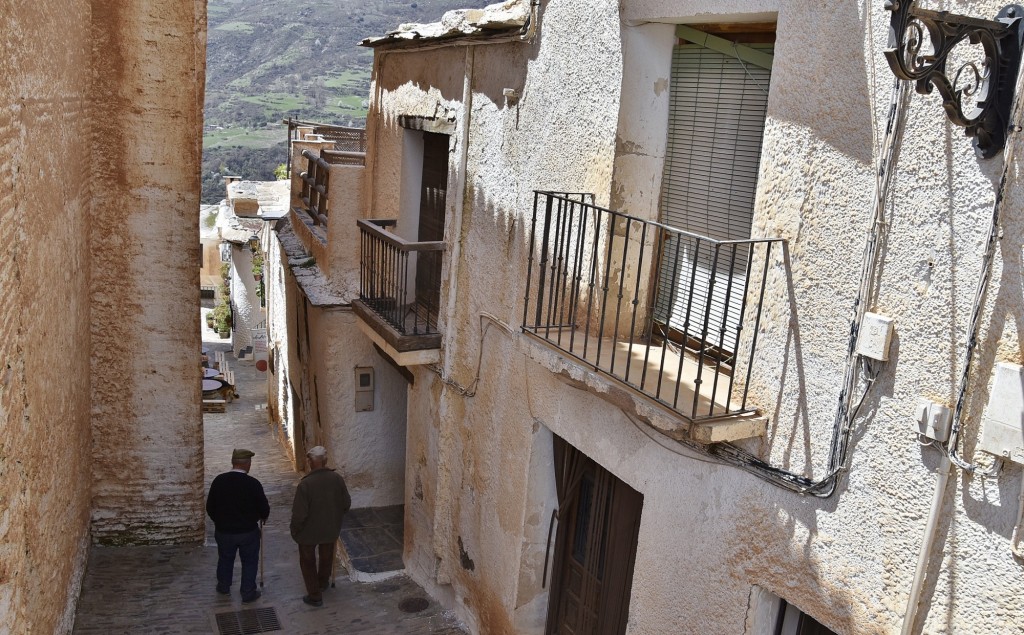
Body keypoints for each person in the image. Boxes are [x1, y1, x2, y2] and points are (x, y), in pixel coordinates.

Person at [206, 448, 270, 603]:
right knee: (249, 561)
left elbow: (210, 507)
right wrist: (263, 517)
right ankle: (248, 592)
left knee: (225, 558)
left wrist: (219, 521)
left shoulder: (219, 481)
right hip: (247, 532)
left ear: (233, 463)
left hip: (225, 531)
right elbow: (263, 507)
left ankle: (223, 586)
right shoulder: (253, 484)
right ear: (247, 464)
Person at [290, 445, 351, 607]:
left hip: (308, 532)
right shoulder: (337, 479)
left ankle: (315, 595)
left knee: (307, 561)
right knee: (326, 556)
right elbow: (346, 503)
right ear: (325, 461)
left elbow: (299, 514)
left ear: (310, 462)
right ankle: (323, 583)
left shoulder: (306, 485)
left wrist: (295, 530)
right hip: (330, 527)